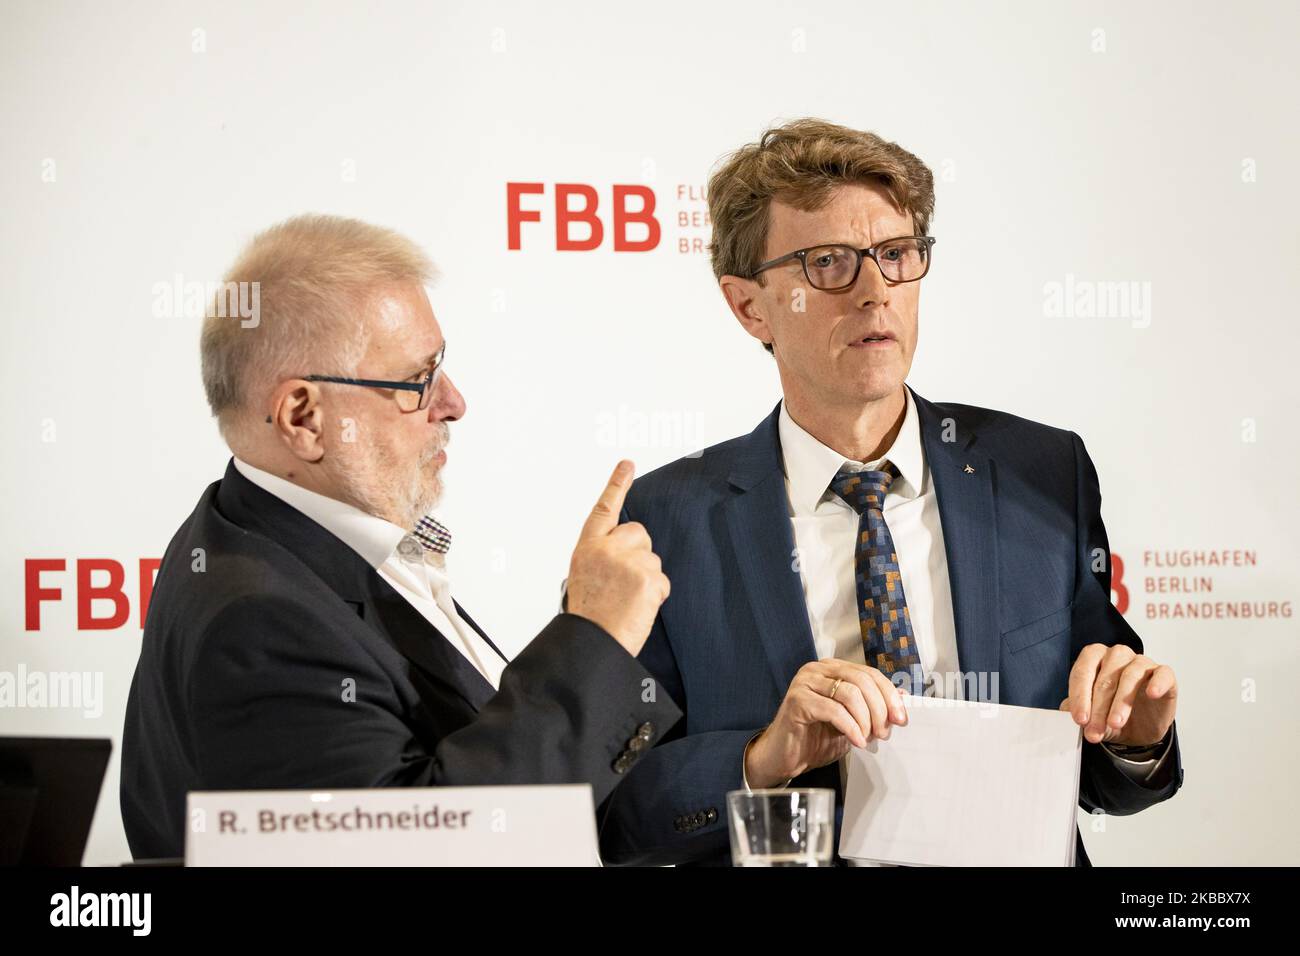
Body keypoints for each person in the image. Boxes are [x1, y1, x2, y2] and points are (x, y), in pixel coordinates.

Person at [596, 119, 1183, 866]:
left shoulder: (1042, 473)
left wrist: (1137, 742)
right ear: (749, 306)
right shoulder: (664, 522)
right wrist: (760, 759)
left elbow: (1102, 767)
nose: (875, 293)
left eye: (898, 255)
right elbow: (614, 811)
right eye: (828, 263)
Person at [121, 214, 678, 860]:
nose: (453, 402)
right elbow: (422, 851)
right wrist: (595, 639)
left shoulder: (280, 536)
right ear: (304, 417)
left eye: (440, 366)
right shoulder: (260, 623)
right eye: (417, 380)